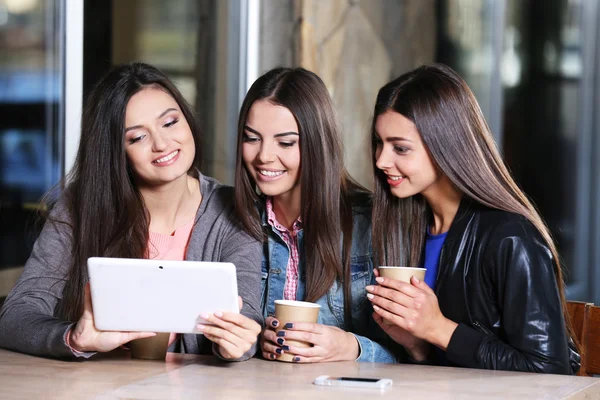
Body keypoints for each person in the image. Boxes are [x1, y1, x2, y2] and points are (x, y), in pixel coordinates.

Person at [0, 62, 262, 360]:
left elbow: (248, 316)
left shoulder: (233, 209)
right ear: (116, 153)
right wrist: (75, 338)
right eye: (138, 137)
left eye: (170, 122)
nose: (162, 144)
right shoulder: (80, 206)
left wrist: (238, 343)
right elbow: (15, 318)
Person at [365, 63, 580, 374]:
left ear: (446, 146)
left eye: (400, 148)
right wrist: (416, 345)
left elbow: (549, 371)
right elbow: (440, 371)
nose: (381, 160)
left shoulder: (512, 237)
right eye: (379, 143)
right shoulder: (408, 228)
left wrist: (438, 329)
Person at [234, 67, 396, 363]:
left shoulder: (372, 223)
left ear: (318, 144)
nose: (264, 156)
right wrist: (253, 341)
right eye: (252, 138)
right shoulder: (233, 223)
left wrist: (352, 348)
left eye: (285, 142)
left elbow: (413, 354)